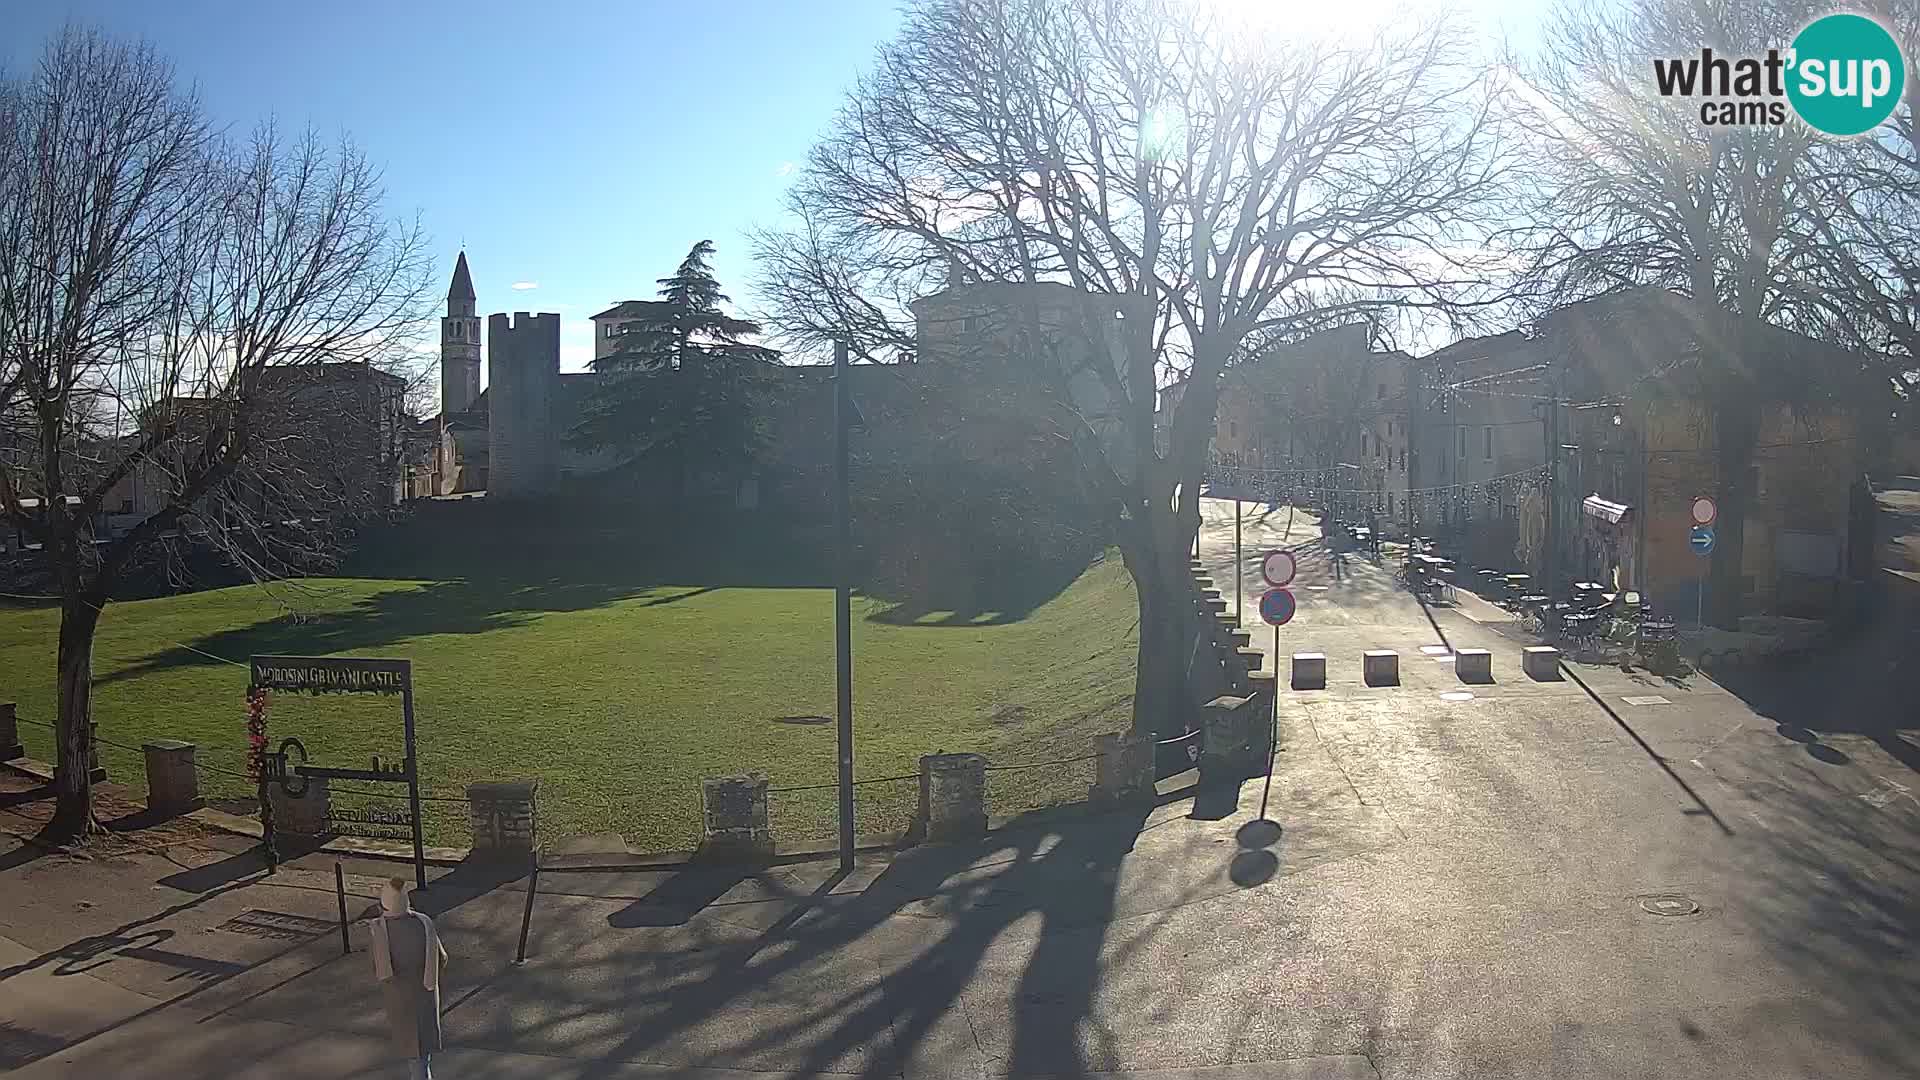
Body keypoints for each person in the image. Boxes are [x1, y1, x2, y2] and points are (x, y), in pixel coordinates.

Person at [369, 877, 447, 1080]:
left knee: (414, 1056)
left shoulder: (379, 930)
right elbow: (442, 958)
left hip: (398, 999)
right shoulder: (424, 924)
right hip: (425, 994)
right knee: (422, 1055)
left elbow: (377, 967)